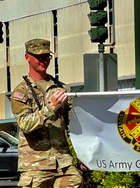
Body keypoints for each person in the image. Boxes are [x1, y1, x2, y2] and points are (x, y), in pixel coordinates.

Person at [11, 38, 85, 188]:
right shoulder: (21, 92)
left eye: (46, 56)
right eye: (39, 57)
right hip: (35, 166)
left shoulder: (62, 89)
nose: (43, 60)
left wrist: (83, 155)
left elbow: (74, 126)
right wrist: (50, 108)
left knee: (76, 180)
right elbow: (25, 124)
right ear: (27, 57)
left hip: (63, 162)